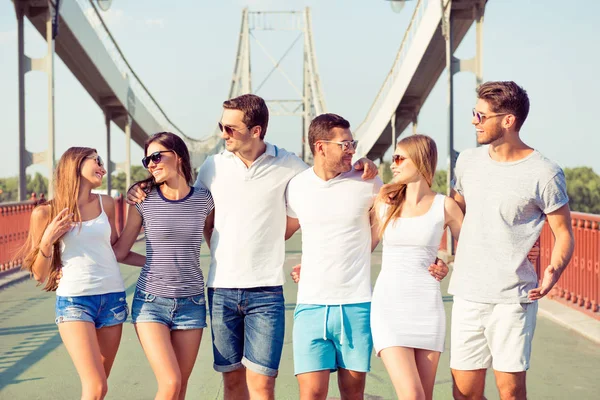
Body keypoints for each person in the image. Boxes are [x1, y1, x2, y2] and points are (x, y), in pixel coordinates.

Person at [127, 95, 379, 400]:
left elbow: (320, 178)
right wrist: (141, 185)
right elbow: (190, 203)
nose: (223, 134)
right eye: (222, 126)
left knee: (262, 387)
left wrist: (362, 163)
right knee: (233, 385)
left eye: (230, 128)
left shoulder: (289, 165)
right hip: (220, 290)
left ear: (256, 130)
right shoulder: (213, 166)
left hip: (267, 292)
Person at [449, 81, 575, 400]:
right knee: (464, 393)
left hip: (512, 299)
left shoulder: (544, 172)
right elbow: (453, 211)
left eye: (480, 115)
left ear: (507, 120)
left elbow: (564, 234)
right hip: (467, 293)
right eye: (473, 113)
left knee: (510, 392)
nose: (473, 121)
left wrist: (554, 270)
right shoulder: (466, 162)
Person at [18, 147, 144, 400]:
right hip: (75, 302)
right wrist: (47, 241)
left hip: (113, 300)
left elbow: (117, 251)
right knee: (96, 386)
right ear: (75, 164)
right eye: (96, 161)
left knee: (98, 389)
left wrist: (159, 261)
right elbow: (38, 274)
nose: (103, 168)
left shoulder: (106, 204)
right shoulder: (44, 213)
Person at [113, 132, 214, 400]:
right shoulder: (143, 201)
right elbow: (121, 252)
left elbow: (216, 242)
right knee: (170, 383)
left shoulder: (205, 200)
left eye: (157, 156)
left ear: (179, 156)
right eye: (147, 160)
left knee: (180, 389)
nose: (151, 164)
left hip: (192, 302)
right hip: (150, 302)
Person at [370, 134, 463, 400]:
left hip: (428, 309)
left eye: (400, 158)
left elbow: (471, 250)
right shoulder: (385, 203)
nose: (393, 164)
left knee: (425, 396)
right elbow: (361, 248)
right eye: (393, 158)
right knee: (413, 395)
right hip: (389, 307)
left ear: (420, 162)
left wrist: (447, 264)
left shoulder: (445, 206)